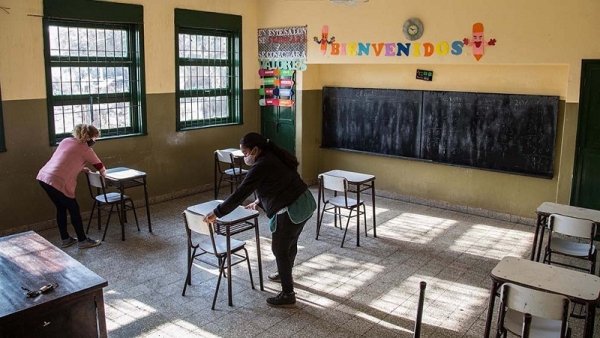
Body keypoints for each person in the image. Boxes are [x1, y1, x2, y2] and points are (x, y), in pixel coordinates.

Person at [204, 132, 316, 306]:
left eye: (245, 152)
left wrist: (217, 212)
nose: (244, 156)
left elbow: (241, 192)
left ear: (255, 150)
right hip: (305, 202)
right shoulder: (272, 156)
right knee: (289, 243)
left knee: (279, 249)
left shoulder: (262, 164)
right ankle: (284, 272)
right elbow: (278, 182)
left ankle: (288, 294)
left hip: (292, 208)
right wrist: (259, 201)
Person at [37, 124, 105, 249]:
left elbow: (64, 159)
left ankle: (65, 239)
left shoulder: (65, 141)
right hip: (57, 180)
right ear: (89, 137)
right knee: (74, 209)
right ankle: (83, 240)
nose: (95, 141)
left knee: (61, 208)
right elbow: (100, 167)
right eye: (95, 138)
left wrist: (80, 167)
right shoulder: (86, 150)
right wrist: (105, 174)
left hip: (44, 177)